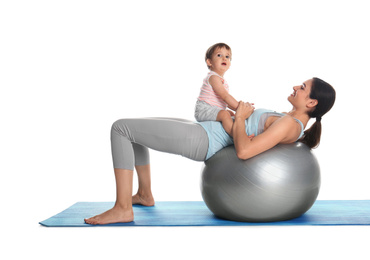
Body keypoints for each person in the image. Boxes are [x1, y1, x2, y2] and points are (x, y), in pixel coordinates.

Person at [84, 77, 336, 225]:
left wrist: (239, 120)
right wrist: (238, 116)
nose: (296, 87)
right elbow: (249, 131)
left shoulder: (290, 126)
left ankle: (122, 208)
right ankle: (144, 194)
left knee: (121, 128)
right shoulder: (287, 118)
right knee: (133, 131)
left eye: (302, 87)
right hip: (205, 129)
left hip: (204, 140)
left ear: (311, 103)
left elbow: (245, 152)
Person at [195, 43, 239, 136]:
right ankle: (237, 135)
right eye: (219, 55)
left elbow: (226, 102)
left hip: (213, 108)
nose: (224, 58)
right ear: (209, 62)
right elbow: (225, 96)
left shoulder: (223, 82)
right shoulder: (213, 77)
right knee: (224, 114)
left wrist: (238, 109)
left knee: (230, 114)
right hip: (204, 109)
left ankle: (238, 130)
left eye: (227, 56)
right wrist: (239, 107)